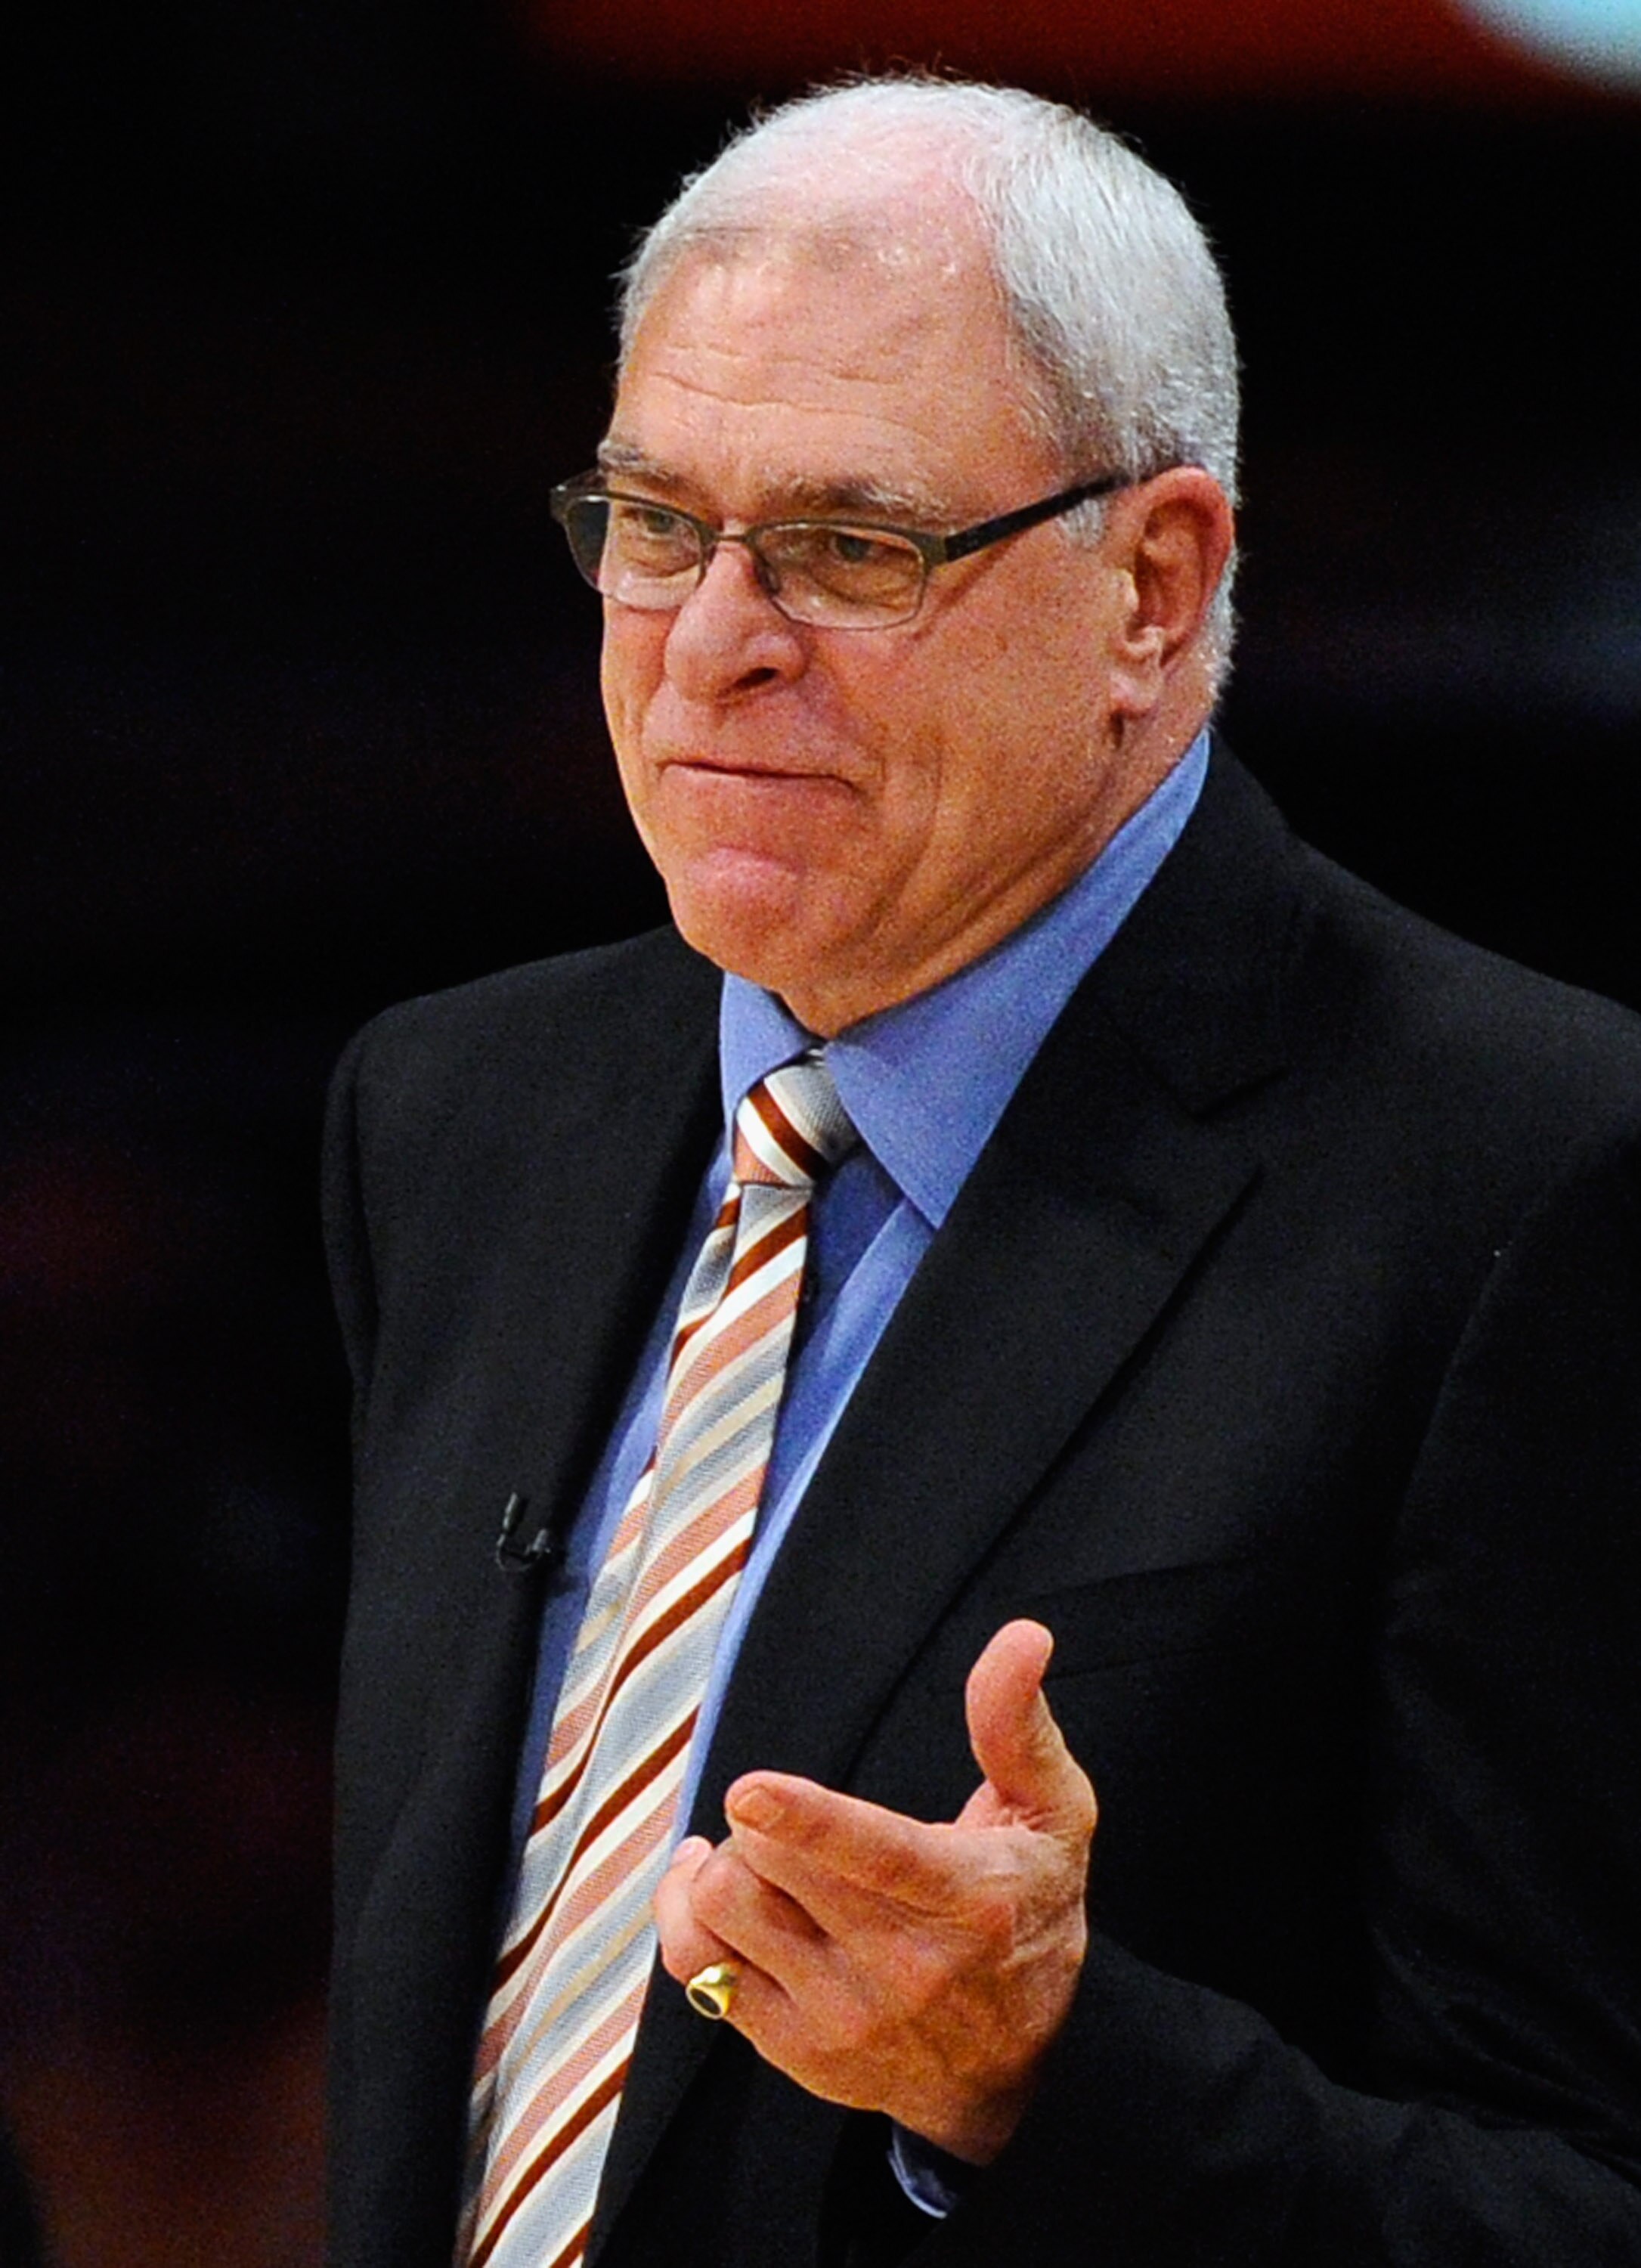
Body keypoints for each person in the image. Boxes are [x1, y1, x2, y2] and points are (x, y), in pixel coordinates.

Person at [321, 77, 1641, 2268]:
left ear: (1152, 587)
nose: (712, 643)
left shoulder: (1535, 1186)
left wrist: (1045, 2077)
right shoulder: (455, 1116)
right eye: (653, 523)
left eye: (851, 550)